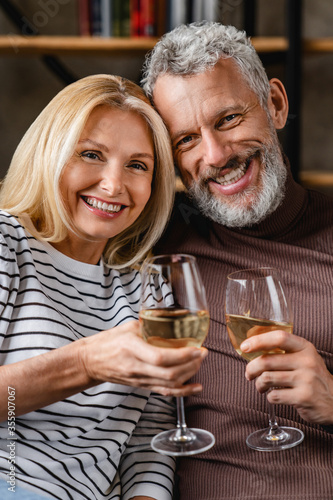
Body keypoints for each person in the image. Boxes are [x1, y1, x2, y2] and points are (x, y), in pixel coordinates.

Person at [141, 22, 333, 499]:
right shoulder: (154, 249)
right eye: (186, 140)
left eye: (228, 119)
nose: (215, 155)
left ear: (276, 104)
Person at [0, 74, 208, 500]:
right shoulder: (7, 243)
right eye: (91, 154)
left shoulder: (145, 286)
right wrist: (88, 363)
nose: (114, 185)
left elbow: (150, 435)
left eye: (137, 165)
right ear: (50, 153)